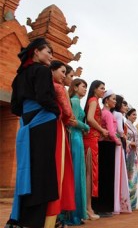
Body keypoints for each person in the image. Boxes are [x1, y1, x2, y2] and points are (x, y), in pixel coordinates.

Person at [7, 38, 60, 228]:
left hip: (26, 123)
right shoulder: (42, 71)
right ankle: (36, 220)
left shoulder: (18, 77)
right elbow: (45, 97)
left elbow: (14, 107)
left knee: (27, 167)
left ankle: (19, 217)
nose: (51, 56)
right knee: (42, 169)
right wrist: (55, 111)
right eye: (48, 51)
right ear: (36, 52)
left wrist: (28, 116)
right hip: (43, 121)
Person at [47, 60, 76, 227]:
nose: (64, 76)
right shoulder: (59, 88)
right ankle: (54, 217)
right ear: (52, 71)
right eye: (63, 72)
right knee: (60, 170)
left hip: (44, 128)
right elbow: (68, 113)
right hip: (58, 129)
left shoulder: (44, 85)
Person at [63, 78, 90, 225]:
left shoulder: (76, 101)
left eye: (86, 87)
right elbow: (71, 121)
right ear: (75, 87)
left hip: (77, 138)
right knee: (76, 175)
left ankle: (76, 213)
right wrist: (86, 127)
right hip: (75, 138)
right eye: (83, 86)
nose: (85, 89)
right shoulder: (74, 101)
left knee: (78, 174)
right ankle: (72, 214)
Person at [92, 90, 119, 217]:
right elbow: (112, 132)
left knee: (103, 176)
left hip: (103, 144)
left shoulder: (103, 113)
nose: (115, 101)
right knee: (107, 176)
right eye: (113, 99)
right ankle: (104, 207)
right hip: (107, 144)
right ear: (106, 100)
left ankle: (101, 206)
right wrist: (118, 141)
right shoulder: (107, 114)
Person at [83, 80, 108, 220]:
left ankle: (89, 207)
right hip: (90, 139)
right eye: (102, 88)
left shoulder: (94, 101)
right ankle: (88, 208)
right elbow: (90, 119)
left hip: (93, 138)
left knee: (91, 174)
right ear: (95, 89)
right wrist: (102, 129)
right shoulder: (93, 101)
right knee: (90, 174)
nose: (104, 91)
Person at [111, 95, 132, 214]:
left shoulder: (112, 113)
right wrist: (126, 140)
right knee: (119, 172)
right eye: (124, 104)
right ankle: (119, 203)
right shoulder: (118, 115)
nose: (126, 107)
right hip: (119, 143)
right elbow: (119, 130)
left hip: (113, 143)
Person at [125, 107, 138, 210]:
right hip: (129, 153)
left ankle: (135, 202)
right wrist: (129, 142)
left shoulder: (134, 127)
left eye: (136, 115)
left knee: (135, 176)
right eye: (133, 114)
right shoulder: (125, 125)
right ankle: (129, 202)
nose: (135, 116)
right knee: (130, 176)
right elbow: (122, 137)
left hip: (135, 152)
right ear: (127, 115)